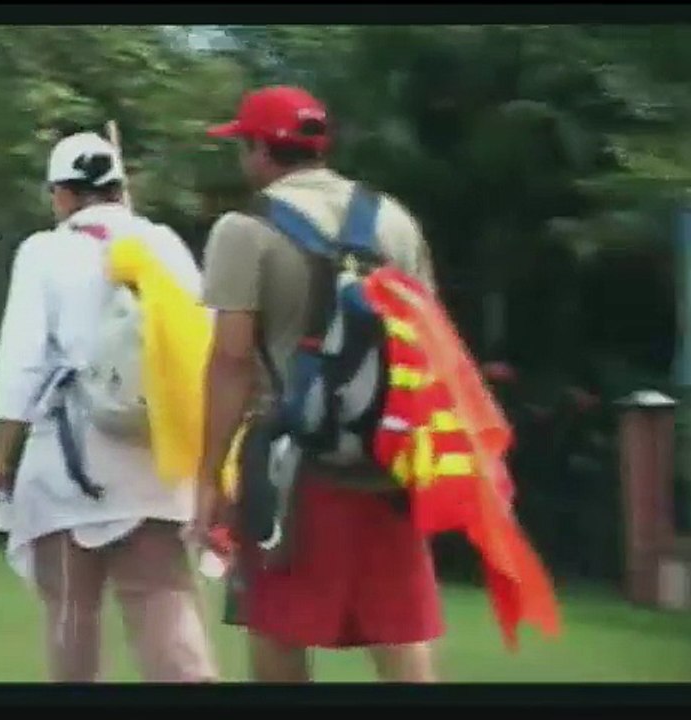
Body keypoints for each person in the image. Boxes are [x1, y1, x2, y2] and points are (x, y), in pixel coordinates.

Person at [194, 86, 443, 683]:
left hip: (288, 462)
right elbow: (431, 347)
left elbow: (230, 360)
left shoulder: (242, 229)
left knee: (278, 623)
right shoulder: (393, 220)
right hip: (387, 459)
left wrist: (209, 474)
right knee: (399, 630)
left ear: (259, 150)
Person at [0, 131, 216, 683]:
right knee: (163, 603)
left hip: (69, 461)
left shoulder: (44, 251)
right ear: (121, 188)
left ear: (62, 193)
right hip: (158, 455)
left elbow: (21, 364)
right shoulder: (165, 243)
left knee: (71, 610)